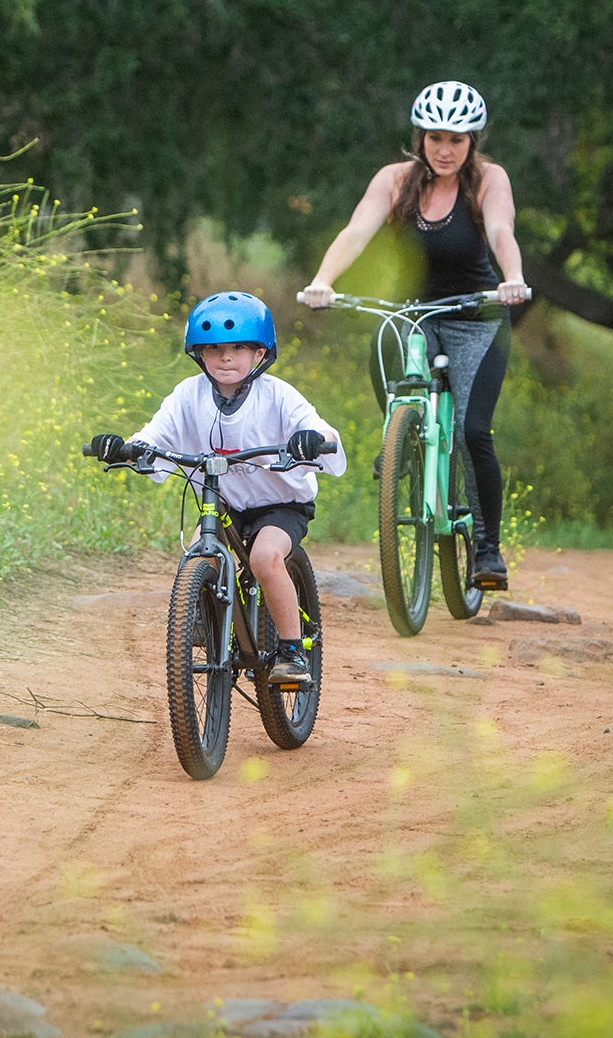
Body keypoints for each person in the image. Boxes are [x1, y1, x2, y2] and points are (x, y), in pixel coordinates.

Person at [298, 81, 529, 589]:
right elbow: (357, 231)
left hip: (476, 316)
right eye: (435, 138)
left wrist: (511, 278)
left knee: (472, 432)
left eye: (457, 140)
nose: (445, 150)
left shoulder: (488, 180)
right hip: (414, 312)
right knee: (384, 338)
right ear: (419, 137)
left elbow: (499, 230)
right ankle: (400, 433)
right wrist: (323, 281)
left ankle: (487, 550)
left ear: (473, 141)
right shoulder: (395, 180)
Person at [90, 292, 346, 685]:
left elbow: (314, 426)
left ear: (260, 353)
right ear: (199, 354)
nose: (226, 358)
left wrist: (311, 439)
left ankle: (292, 650)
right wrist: (123, 447)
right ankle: (202, 617)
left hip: (279, 504)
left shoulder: (277, 395)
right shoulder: (187, 394)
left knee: (264, 558)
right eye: (213, 348)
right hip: (223, 501)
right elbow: (155, 436)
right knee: (199, 555)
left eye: (238, 347)